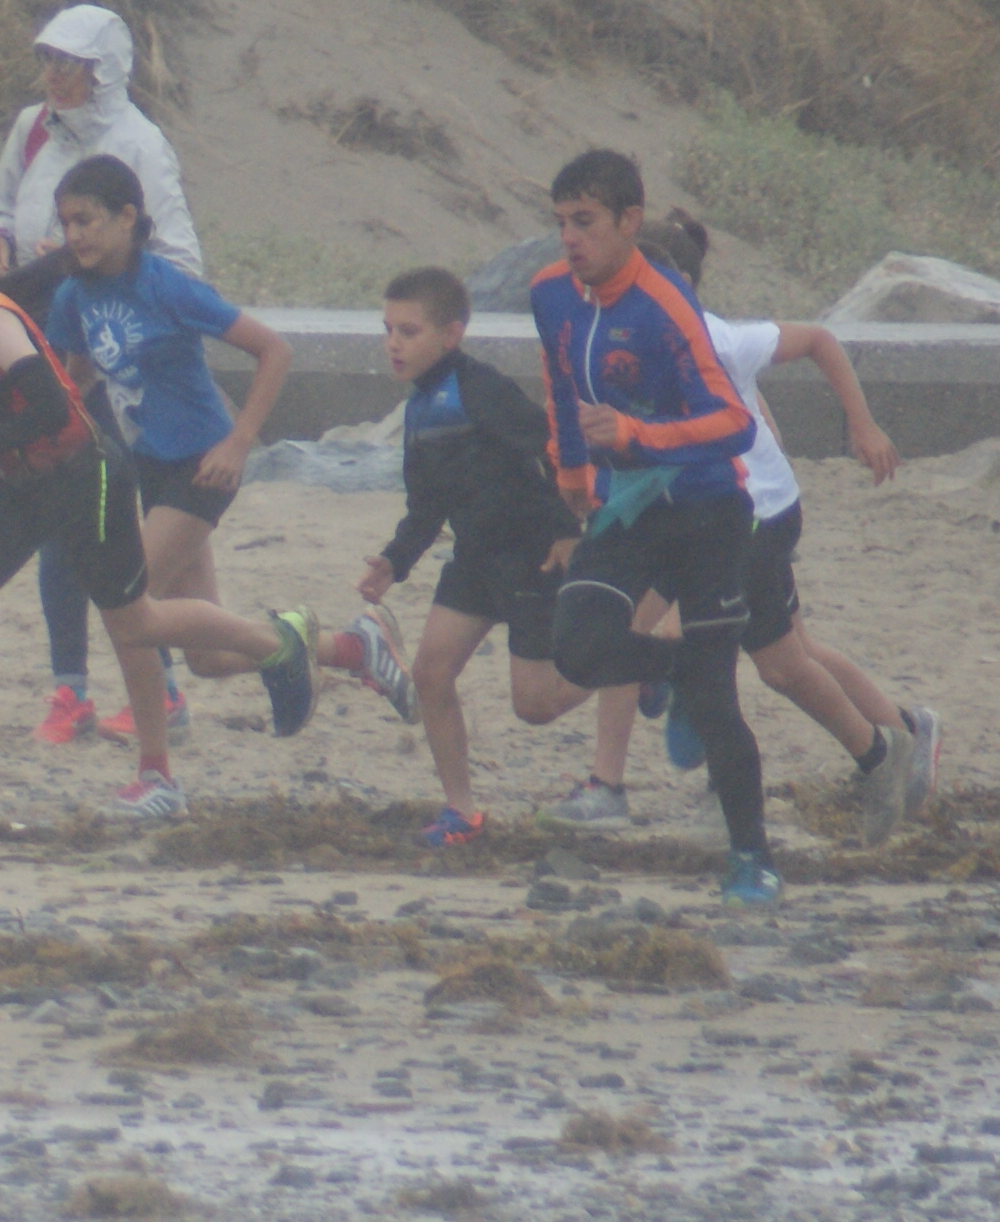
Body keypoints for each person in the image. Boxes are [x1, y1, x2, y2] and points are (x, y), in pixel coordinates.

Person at [0, 196, 308, 822]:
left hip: (87, 477)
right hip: (27, 483)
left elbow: (54, 406)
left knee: (136, 623)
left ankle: (274, 648)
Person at [579, 209, 933, 846]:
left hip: (753, 516)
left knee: (708, 645)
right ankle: (891, 745)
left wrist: (862, 425)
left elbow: (818, 342)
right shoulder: (620, 348)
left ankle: (715, 781)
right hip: (700, 514)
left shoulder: (714, 339)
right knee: (785, 662)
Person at [44, 156, 402, 741]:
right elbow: (78, 376)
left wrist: (238, 444)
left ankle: (159, 718)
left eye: (85, 220)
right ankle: (351, 648)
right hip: (150, 467)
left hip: (202, 463)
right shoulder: (73, 295)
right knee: (206, 657)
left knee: (128, 601)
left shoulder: (166, 286)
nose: (74, 234)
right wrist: (45, 439)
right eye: (66, 223)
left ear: (127, 217)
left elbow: (274, 351)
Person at [528, 147, 782, 905]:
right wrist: (570, 473)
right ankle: (673, 669)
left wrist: (640, 436)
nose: (570, 238)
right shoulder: (551, 293)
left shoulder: (665, 304)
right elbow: (560, 381)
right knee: (576, 646)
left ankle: (752, 859)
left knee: (719, 701)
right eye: (561, 222)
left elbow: (735, 423)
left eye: (585, 222)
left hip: (708, 512)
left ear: (629, 221)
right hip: (628, 510)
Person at [0, 4, 205, 749]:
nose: (54, 76)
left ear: (103, 73)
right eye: (48, 60)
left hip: (113, 356)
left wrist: (91, 263)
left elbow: (180, 261)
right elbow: (2, 206)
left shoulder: (140, 145)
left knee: (99, 525)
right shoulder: (31, 129)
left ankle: (160, 687)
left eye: (69, 65)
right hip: (43, 342)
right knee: (60, 508)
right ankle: (72, 688)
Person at [355, 266, 588, 847]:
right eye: (388, 330)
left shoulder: (481, 389)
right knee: (431, 674)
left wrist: (566, 529)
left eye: (409, 331)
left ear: (451, 334)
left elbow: (551, 449)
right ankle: (462, 811)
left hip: (532, 556)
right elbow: (426, 504)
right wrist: (394, 560)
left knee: (535, 706)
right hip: (474, 561)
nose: (393, 343)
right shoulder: (418, 409)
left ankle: (632, 667)